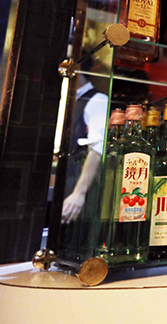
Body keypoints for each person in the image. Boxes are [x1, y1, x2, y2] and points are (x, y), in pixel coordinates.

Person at [61, 71, 108, 224]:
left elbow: (98, 147)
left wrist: (79, 193)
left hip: (82, 186)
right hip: (66, 181)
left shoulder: (98, 100)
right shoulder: (72, 100)